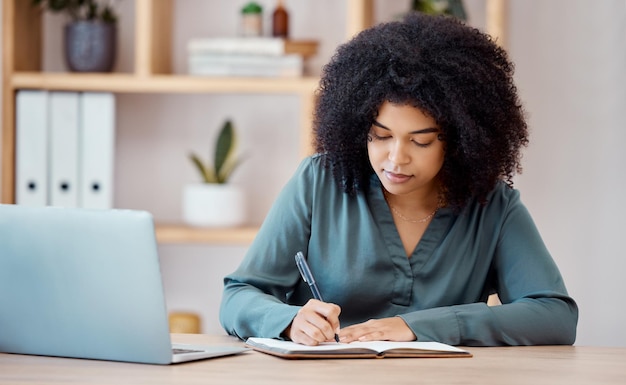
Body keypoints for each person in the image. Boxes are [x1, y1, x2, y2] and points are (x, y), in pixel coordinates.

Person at [219, 13, 578, 346]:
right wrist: (289, 320)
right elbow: (239, 296)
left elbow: (555, 316)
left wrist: (418, 326)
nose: (395, 158)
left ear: (459, 140)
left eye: (420, 141)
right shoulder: (319, 182)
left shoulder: (492, 206)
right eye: (381, 135)